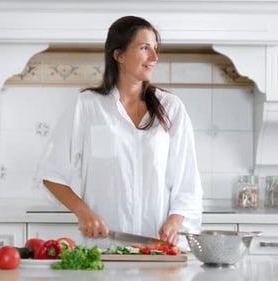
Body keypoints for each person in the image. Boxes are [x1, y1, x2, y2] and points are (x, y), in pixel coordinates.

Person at [41, 15, 203, 248]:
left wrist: (176, 220)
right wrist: (83, 212)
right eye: (145, 48)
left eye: (156, 49)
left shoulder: (171, 108)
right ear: (119, 55)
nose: (154, 58)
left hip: (157, 248)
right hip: (105, 246)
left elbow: (188, 179)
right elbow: (52, 174)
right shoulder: (87, 106)